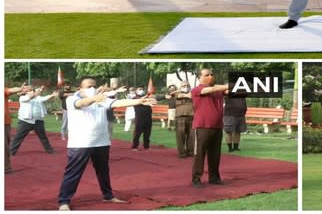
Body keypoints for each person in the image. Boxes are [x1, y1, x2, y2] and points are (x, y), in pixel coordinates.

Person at [57, 77, 157, 211]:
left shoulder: (101, 99)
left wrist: (138, 101)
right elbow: (81, 103)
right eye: (88, 86)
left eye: (94, 85)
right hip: (81, 143)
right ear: (80, 88)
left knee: (103, 171)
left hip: (101, 141)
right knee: (74, 172)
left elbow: (117, 102)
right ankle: (64, 201)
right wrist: (94, 99)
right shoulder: (71, 99)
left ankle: (108, 195)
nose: (92, 88)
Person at [191, 68, 230, 187]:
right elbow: (213, 88)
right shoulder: (197, 89)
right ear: (200, 78)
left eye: (212, 74)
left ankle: (214, 178)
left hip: (217, 126)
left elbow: (230, 91)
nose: (210, 76)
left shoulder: (219, 90)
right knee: (199, 155)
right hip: (202, 127)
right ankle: (196, 179)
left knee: (215, 155)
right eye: (207, 75)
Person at [10, 85, 59, 156]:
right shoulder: (22, 98)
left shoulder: (38, 98)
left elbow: (44, 98)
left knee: (43, 137)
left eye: (32, 90)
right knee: (18, 137)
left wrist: (53, 95)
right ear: (26, 93)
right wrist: (38, 91)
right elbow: (31, 96)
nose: (32, 91)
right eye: (30, 91)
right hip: (25, 121)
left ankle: (50, 150)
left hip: (38, 121)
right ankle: (11, 152)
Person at [5, 83, 30, 173]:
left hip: (4, 123)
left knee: (5, 147)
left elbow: (10, 90)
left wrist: (20, 88)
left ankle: (6, 168)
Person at [173, 81, 194, 158]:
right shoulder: (177, 93)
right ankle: (182, 153)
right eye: (184, 86)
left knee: (191, 136)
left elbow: (192, 96)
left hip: (192, 116)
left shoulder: (192, 93)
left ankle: (190, 151)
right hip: (180, 117)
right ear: (180, 87)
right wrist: (182, 92)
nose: (186, 87)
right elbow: (178, 95)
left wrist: (189, 94)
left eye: (187, 85)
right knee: (180, 136)